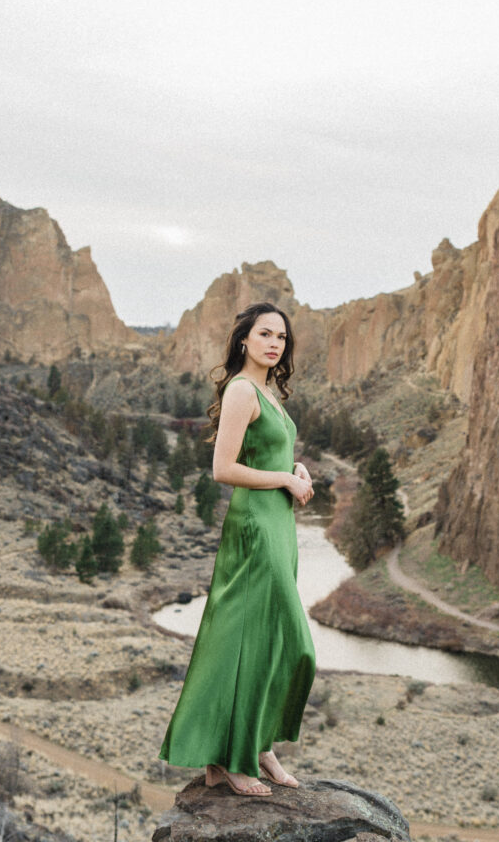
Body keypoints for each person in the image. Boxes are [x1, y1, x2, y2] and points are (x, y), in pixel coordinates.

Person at [159, 302, 316, 797]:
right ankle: (236, 757)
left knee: (272, 641)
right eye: (265, 334)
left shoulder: (268, 392)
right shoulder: (242, 390)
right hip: (255, 527)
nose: (275, 344)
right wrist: (281, 481)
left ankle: (256, 746)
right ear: (243, 340)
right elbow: (222, 468)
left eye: (282, 338)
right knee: (285, 642)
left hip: (278, 526)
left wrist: (298, 471)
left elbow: (270, 453)